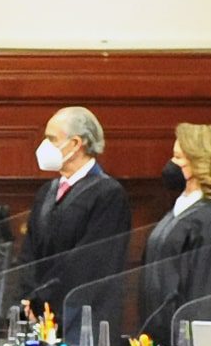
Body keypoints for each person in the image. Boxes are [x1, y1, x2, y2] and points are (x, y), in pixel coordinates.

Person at [17, 106, 132, 331]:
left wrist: (47, 298)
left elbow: (91, 260)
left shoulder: (108, 194)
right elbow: (29, 252)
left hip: (83, 317)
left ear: (77, 144)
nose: (44, 146)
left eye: (52, 139)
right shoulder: (46, 192)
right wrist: (30, 297)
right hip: (40, 317)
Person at [136, 123, 211, 344]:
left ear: (202, 160)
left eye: (180, 158)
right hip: (159, 336)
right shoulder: (179, 208)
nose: (172, 165)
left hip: (190, 342)